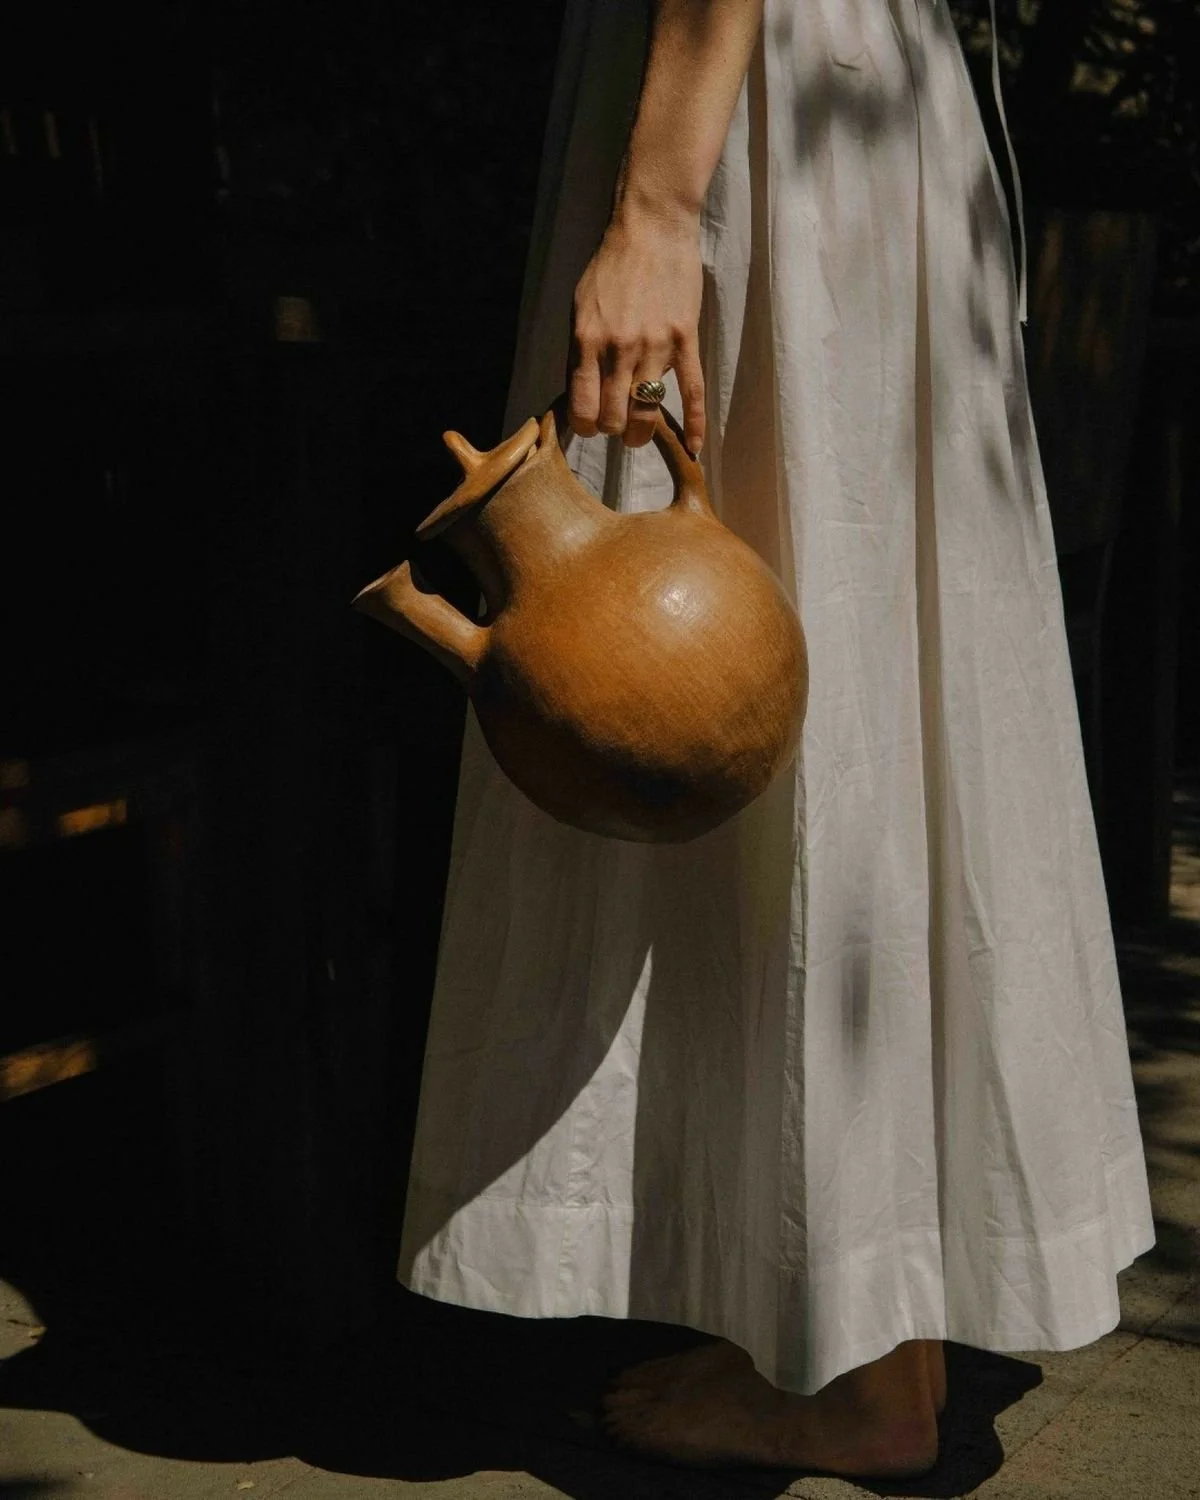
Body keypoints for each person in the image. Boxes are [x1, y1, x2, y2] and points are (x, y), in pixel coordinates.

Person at [397, 0, 1155, 1478]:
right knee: (865, 662)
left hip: (760, 131)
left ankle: (865, 1372)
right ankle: (869, 1317)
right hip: (831, 109)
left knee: (795, 664)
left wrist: (659, 208)